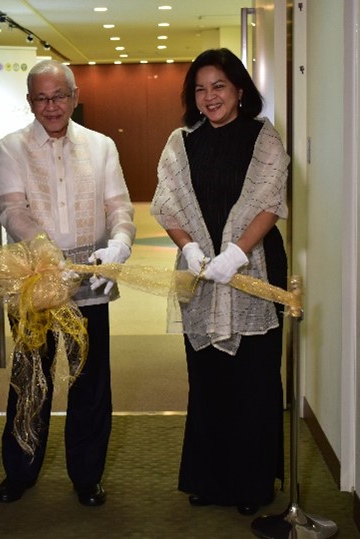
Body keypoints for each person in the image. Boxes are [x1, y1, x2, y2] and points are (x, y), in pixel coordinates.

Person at [150, 48, 289, 516]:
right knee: (207, 375)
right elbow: (168, 203)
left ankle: (252, 483)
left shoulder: (263, 137)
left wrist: (237, 252)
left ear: (240, 90)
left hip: (256, 269)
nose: (209, 97)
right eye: (200, 88)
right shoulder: (181, 141)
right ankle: (209, 478)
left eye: (219, 87)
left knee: (254, 377)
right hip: (202, 270)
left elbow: (270, 200)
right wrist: (190, 248)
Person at [0, 60, 135, 507]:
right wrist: (47, 256)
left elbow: (120, 208)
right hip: (34, 277)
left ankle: (87, 476)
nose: (51, 106)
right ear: (30, 101)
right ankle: (19, 471)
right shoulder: (11, 146)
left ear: (74, 98)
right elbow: (11, 210)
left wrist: (120, 244)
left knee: (90, 383)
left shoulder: (101, 146)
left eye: (59, 96)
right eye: (41, 97)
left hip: (90, 277)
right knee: (30, 378)